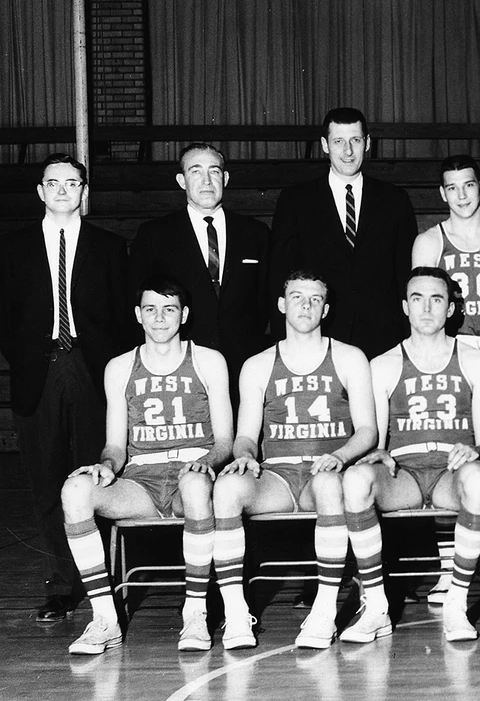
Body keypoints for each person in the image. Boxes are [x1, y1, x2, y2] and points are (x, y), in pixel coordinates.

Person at [61, 277, 238, 655]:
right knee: (75, 489)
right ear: (138, 315)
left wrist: (206, 462)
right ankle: (105, 618)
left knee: (193, 485)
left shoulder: (208, 360)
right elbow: (114, 444)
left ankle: (195, 613)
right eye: (151, 309)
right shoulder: (120, 367)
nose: (160, 318)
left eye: (169, 309)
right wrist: (107, 465)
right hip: (141, 481)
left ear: (184, 315)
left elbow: (225, 441)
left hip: (192, 476)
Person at [213, 271, 379, 649]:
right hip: (280, 477)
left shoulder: (350, 357)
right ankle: (236, 614)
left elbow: (367, 431)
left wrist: (339, 456)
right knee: (226, 488)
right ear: (282, 305)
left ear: (326, 308)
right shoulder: (257, 365)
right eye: (297, 297)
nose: (306, 305)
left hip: (327, 471)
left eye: (315, 299)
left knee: (326, 483)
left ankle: (324, 610)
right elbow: (245, 436)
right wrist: (244, 457)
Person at [0, 153, 130, 623]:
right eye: (52, 183)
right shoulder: (13, 248)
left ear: (83, 191)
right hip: (40, 368)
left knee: (98, 476)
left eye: (71, 183)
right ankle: (63, 585)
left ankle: (105, 582)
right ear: (40, 191)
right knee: (46, 483)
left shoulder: (110, 247)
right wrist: (32, 356)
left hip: (92, 369)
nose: (61, 191)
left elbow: (120, 319)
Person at [341, 267, 480, 642]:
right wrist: (378, 454)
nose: (426, 308)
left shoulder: (475, 360)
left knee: (479, 478)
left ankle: (456, 602)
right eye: (417, 299)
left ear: (451, 309)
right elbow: (375, 437)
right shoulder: (383, 364)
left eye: (437, 299)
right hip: (404, 473)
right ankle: (376, 607)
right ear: (405, 307)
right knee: (356, 479)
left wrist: (474, 450)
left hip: (451, 471)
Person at [271, 107, 418, 358]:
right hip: (319, 338)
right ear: (324, 145)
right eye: (338, 141)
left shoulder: (395, 200)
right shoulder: (295, 201)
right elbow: (281, 276)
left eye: (355, 141)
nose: (347, 151)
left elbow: (405, 274)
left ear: (368, 143)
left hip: (383, 341)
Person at [128, 142, 273, 392]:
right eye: (196, 171)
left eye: (214, 171)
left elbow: (265, 299)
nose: (207, 180)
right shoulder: (155, 235)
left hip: (244, 364)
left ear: (225, 178)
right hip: (181, 365)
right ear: (181, 180)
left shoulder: (256, 233)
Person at [412, 154, 480, 350]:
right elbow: (423, 311)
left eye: (468, 185)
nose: (462, 195)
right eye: (452, 188)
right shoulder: (428, 243)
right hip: (450, 348)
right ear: (443, 193)